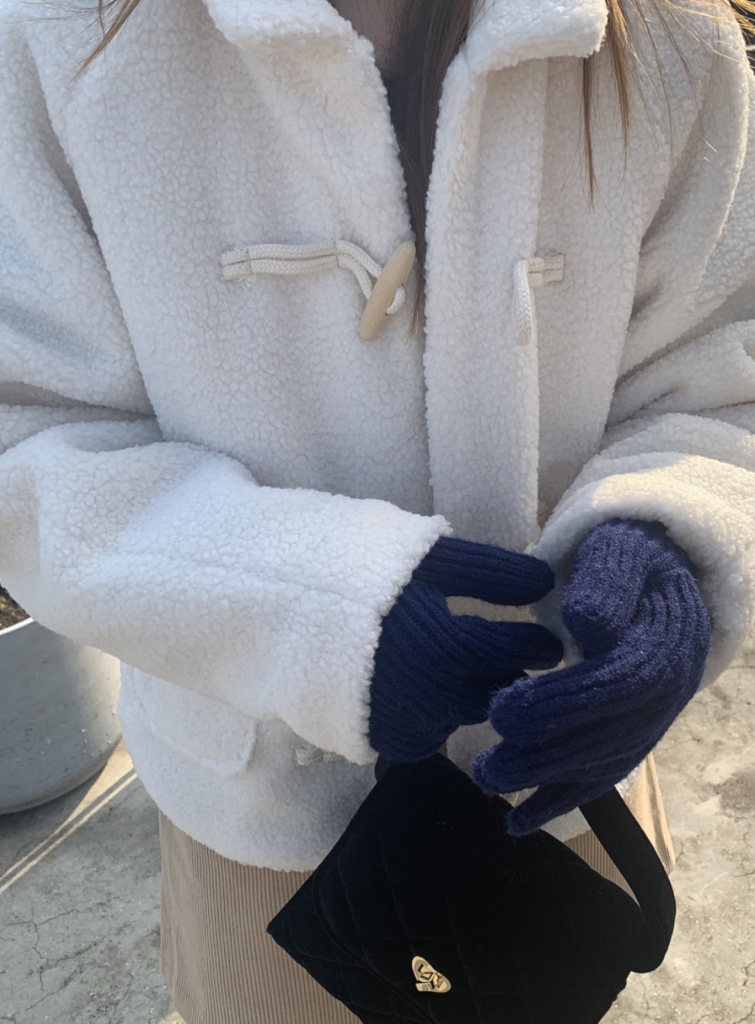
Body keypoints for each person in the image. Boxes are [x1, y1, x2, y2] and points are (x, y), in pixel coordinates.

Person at [1, 0, 754, 1021]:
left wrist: (671, 532)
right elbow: (28, 433)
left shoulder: (671, 38)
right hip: (269, 836)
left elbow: (721, 366)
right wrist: (307, 610)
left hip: (563, 793)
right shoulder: (63, 33)